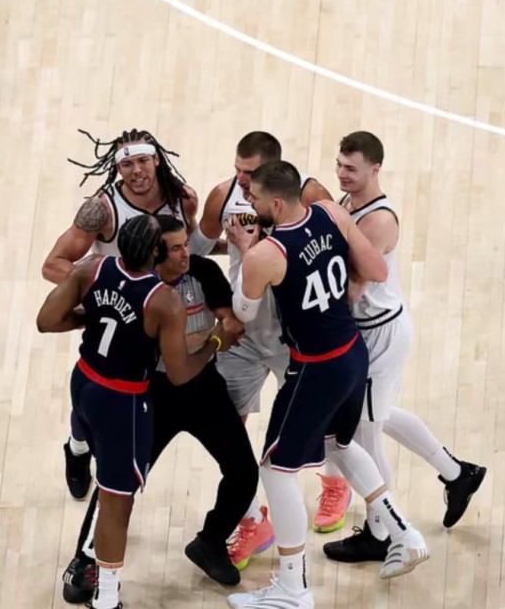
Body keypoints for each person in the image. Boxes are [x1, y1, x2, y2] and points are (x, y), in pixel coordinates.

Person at [226, 161, 429, 608]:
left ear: (276, 203)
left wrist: (243, 249)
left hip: (315, 367)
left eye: (255, 198)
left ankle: (293, 589)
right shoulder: (331, 213)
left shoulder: (265, 254)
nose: (250, 204)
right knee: (339, 444)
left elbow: (243, 312)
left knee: (275, 470)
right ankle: (404, 533)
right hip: (352, 351)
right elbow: (374, 268)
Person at [37, 214, 233, 609]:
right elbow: (179, 374)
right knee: (116, 501)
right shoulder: (165, 301)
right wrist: (215, 341)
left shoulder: (92, 268)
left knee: (99, 460)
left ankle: (77, 447)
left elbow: (47, 320)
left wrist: (91, 317)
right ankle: (106, 598)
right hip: (122, 401)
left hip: (85, 379)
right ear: (156, 253)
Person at [313, 132, 488, 563]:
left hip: (379, 334)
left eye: (351, 168)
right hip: (367, 331)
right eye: (339, 165)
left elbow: (353, 288)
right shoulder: (348, 202)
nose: (342, 174)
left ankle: (380, 534)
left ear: (375, 169)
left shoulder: (379, 220)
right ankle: (457, 473)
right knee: (379, 414)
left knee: (365, 433)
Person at [191, 131, 332, 570]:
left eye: (249, 173)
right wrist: (224, 242)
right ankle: (253, 519)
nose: (241, 179)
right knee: (226, 430)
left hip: (295, 335)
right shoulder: (223, 196)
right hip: (246, 336)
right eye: (237, 169)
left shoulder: (309, 194)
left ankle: (335, 483)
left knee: (327, 422)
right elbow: (196, 250)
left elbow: (335, 246)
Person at [42, 129, 199, 500]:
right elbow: (53, 264)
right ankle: (78, 449)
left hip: (161, 312)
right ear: (117, 169)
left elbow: (189, 249)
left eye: (142, 160)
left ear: (156, 159)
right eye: (127, 165)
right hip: (117, 314)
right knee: (98, 387)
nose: (136, 170)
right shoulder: (102, 209)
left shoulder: (184, 199)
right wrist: (106, 292)